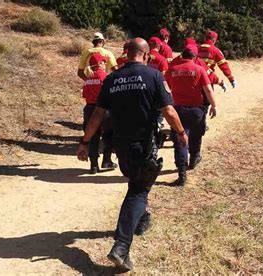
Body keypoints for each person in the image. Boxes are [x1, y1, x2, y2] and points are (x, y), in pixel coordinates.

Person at [77, 38, 188, 271]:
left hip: (120, 145)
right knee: (138, 191)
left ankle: (142, 217)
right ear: (146, 55)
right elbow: (168, 109)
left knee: (135, 183)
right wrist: (180, 132)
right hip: (143, 145)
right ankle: (121, 246)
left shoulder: (112, 79)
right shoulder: (154, 76)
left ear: (127, 55)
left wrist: (86, 142)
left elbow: (97, 114)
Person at [165, 44, 217, 186]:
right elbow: (208, 90)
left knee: (180, 141)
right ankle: (194, 157)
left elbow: (165, 89)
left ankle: (182, 173)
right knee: (196, 135)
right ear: (194, 57)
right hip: (196, 111)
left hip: (177, 110)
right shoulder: (199, 69)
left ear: (182, 55)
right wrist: (214, 105)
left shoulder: (172, 70)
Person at [81, 53, 117, 173]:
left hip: (89, 109)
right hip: (103, 110)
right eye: (104, 62)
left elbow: (84, 95)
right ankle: (107, 161)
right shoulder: (105, 77)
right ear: (100, 63)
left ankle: (94, 165)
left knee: (92, 137)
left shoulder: (88, 78)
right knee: (108, 135)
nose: (105, 64)